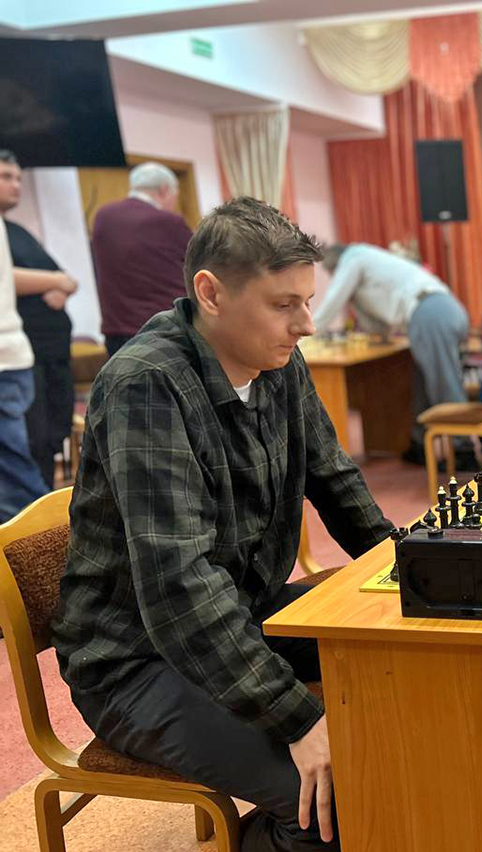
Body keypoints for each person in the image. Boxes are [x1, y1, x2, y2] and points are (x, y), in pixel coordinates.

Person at [53, 197, 394, 852]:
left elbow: (335, 480)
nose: (307, 324)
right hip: (135, 661)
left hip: (242, 615)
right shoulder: (145, 384)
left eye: (307, 301)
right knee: (336, 802)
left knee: (410, 658)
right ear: (210, 293)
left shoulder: (277, 360)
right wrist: (297, 720)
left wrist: (414, 574)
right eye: (284, 304)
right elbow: (181, 585)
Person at [314, 242, 476, 471]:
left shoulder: (353, 259)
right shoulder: (368, 262)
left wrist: (307, 333)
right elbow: (376, 323)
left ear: (336, 267)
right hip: (440, 310)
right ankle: (418, 444)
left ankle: (464, 451)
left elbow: (334, 299)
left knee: (444, 382)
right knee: (422, 384)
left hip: (431, 313)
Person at [1, 150, 76, 489]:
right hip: (21, 359)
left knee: (51, 437)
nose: (16, 185)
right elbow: (7, 275)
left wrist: (61, 283)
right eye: (6, 177)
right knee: (30, 445)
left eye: (18, 178)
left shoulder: (16, 231)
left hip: (49, 354)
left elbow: (67, 277)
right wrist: (55, 281)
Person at [92, 161, 192, 356]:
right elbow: (202, 263)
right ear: (164, 190)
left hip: (117, 333)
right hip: (165, 331)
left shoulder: (103, 217)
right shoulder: (168, 222)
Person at [0, 182, 47, 523]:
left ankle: (55, 544)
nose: (15, 184)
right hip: (9, 357)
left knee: (15, 483)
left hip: (4, 360)